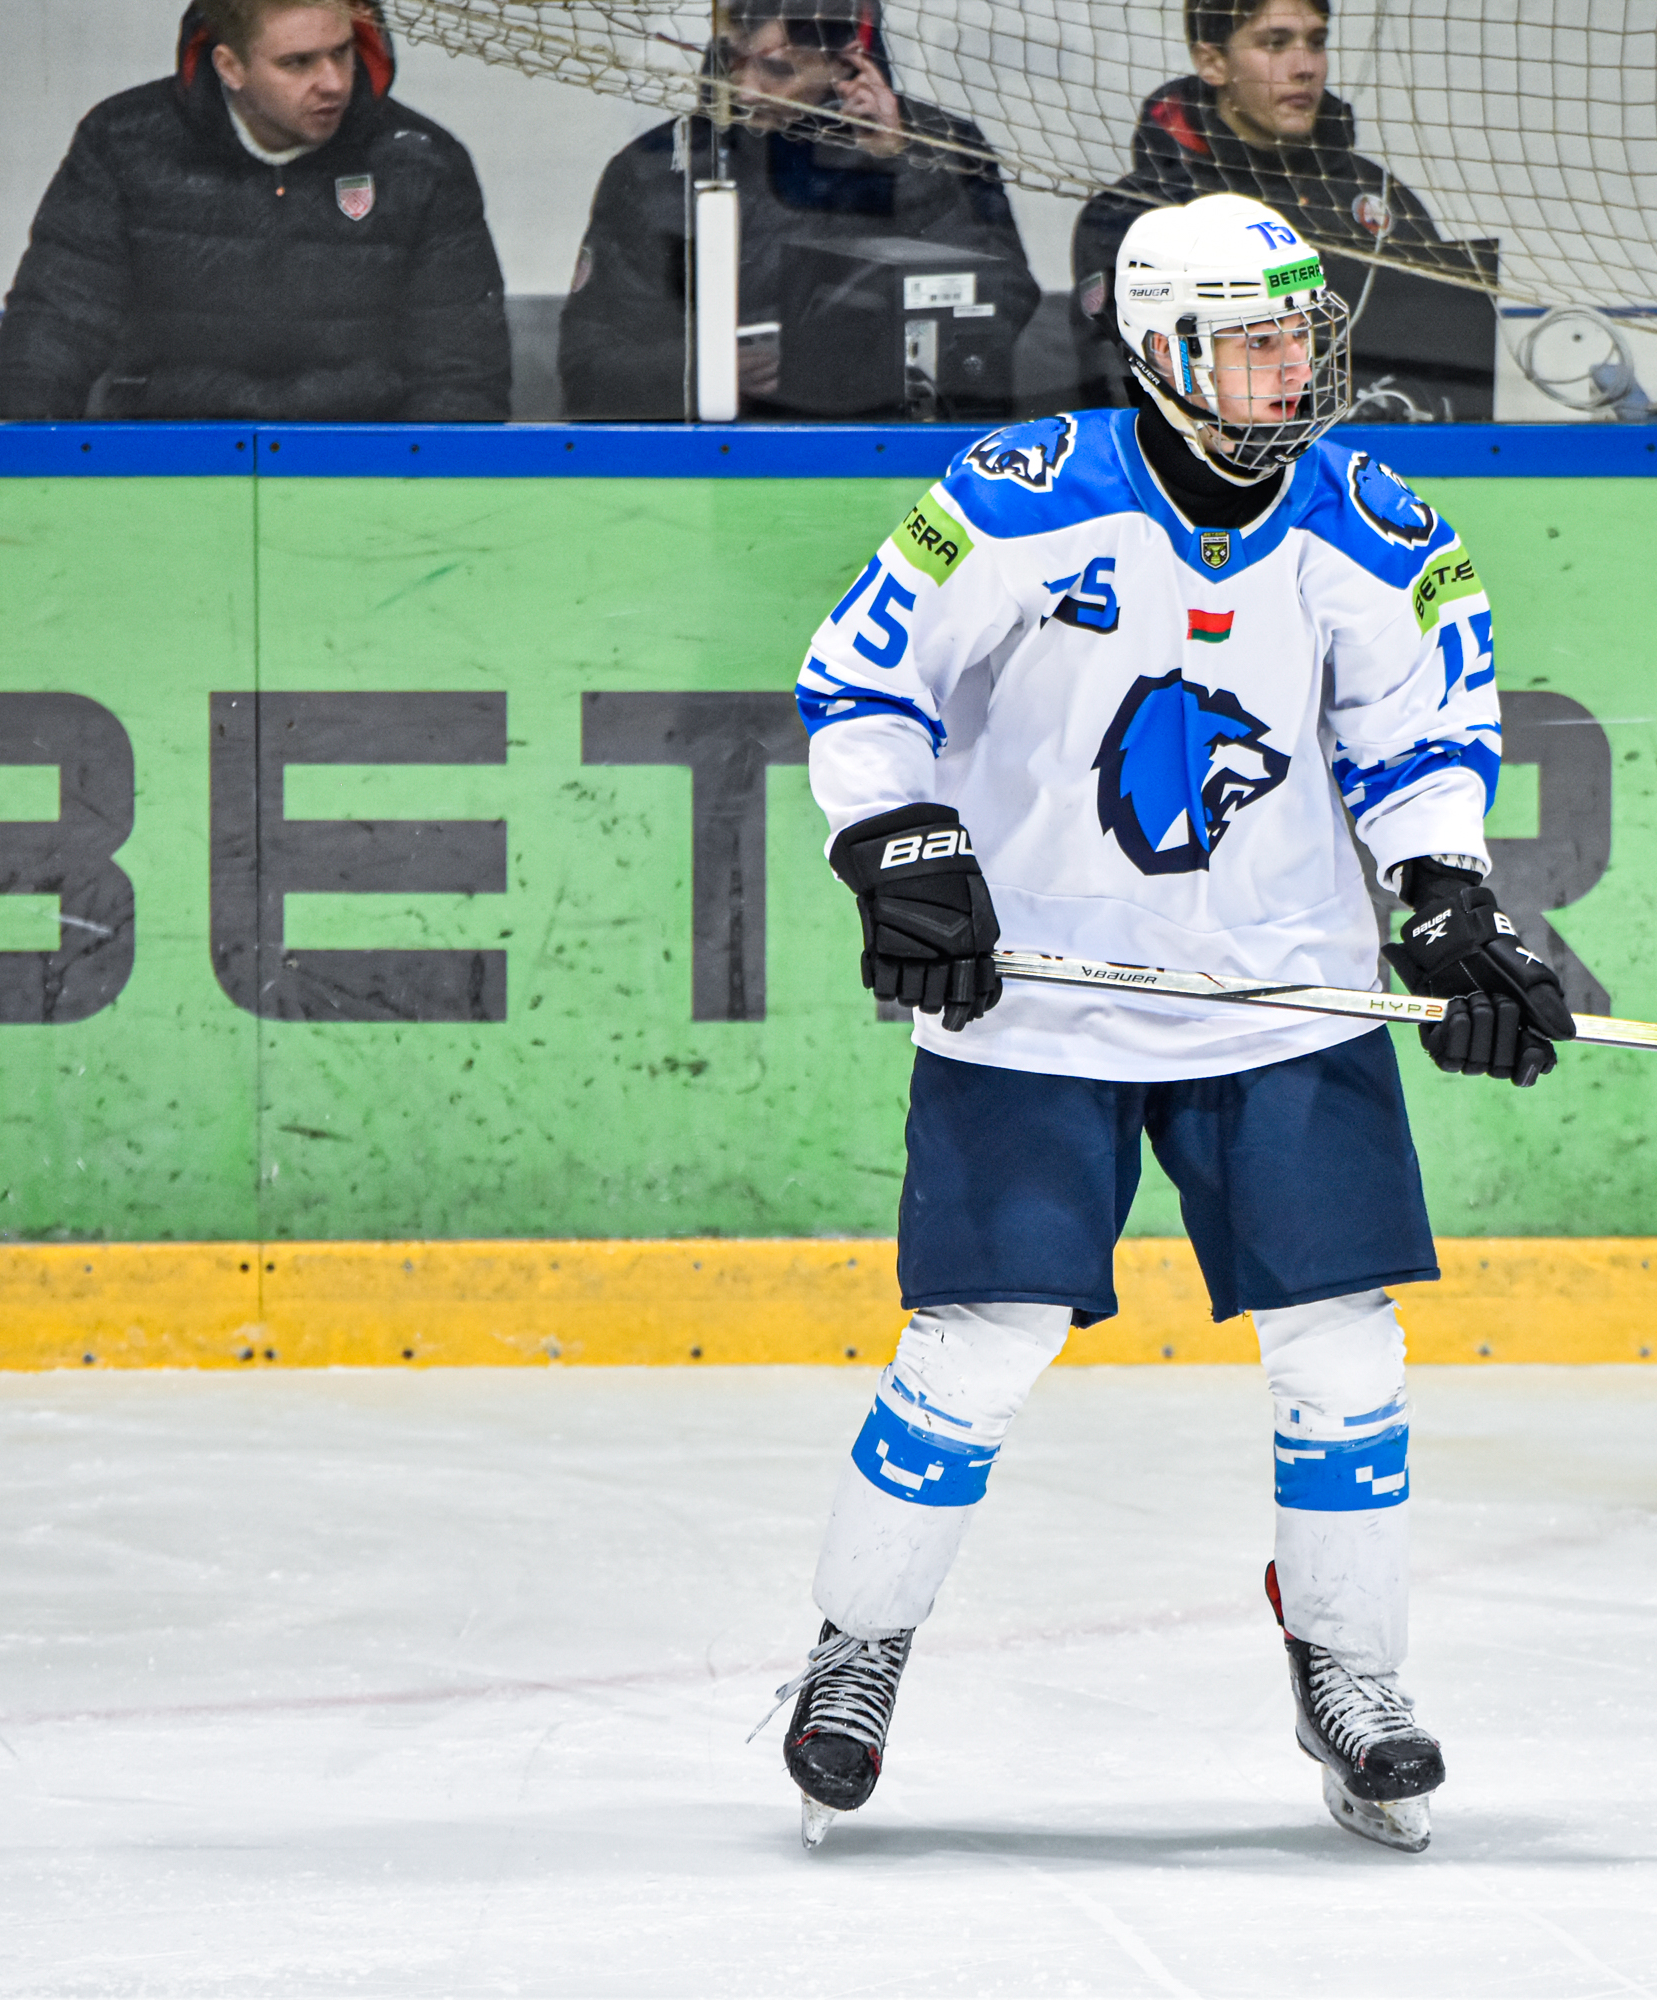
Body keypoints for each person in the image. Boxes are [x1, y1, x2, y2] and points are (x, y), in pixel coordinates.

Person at [770, 192, 1567, 1855]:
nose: (1293, 372)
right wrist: (903, 848)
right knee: (980, 1343)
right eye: (1254, 343)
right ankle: (858, 1649)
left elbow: (1425, 738)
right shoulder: (1019, 499)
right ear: (1158, 348)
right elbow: (863, 686)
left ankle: (1350, 1673)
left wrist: (1446, 899)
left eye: (1303, 340)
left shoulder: (1371, 521)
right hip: (1037, 998)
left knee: (1344, 1348)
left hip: (1281, 995)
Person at [0, 0, 508, 422]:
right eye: (297, 62)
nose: (333, 81)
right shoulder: (122, 144)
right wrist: (15, 479)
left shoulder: (422, 160)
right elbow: (53, 331)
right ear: (230, 67)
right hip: (165, 465)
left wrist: (428, 495)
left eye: (342, 51)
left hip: (359, 470)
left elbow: (461, 373)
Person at [558, 0, 1039, 421]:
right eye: (732, 61)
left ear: (846, 64)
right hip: (716, 455)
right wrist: (703, 368)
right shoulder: (660, 166)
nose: (746, 90)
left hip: (892, 443)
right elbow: (588, 361)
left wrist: (901, 167)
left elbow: (999, 301)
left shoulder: (940, 150)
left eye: (778, 70)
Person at [1068, 0, 1454, 353]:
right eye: (1275, 44)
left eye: (1317, 42)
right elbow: (1120, 373)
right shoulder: (1140, 214)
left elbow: (1447, 339)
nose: (1305, 67)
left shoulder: (1374, 194)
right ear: (1212, 63)